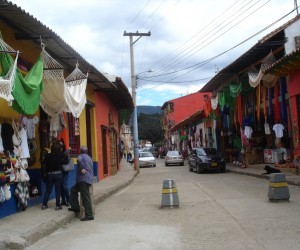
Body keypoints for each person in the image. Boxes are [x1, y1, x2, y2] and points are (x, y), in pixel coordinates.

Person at [68, 146, 94, 221]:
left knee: (85, 196)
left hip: (83, 180)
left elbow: (79, 160)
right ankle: (75, 207)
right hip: (88, 179)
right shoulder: (89, 158)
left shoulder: (80, 157)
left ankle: (89, 215)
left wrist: (82, 168)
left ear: (80, 151)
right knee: (73, 190)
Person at [42, 141, 69, 210]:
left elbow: (44, 163)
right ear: (59, 149)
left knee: (48, 190)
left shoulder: (47, 155)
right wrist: (66, 155)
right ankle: (57, 206)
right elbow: (66, 162)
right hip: (58, 174)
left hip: (49, 175)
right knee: (58, 190)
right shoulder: (61, 155)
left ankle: (44, 205)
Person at [59, 138, 70, 207]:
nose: (60, 147)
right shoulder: (58, 153)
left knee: (64, 186)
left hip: (65, 171)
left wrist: (61, 159)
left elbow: (67, 162)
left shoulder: (65, 153)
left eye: (61, 145)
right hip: (59, 171)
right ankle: (63, 200)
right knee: (60, 187)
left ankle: (68, 200)